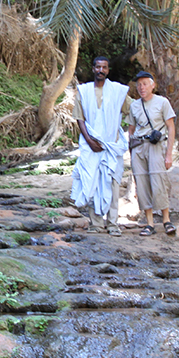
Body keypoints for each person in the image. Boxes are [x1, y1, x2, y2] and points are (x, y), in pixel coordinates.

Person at [71, 56, 130, 236]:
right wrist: (89, 141)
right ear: (93, 68)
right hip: (91, 146)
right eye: (98, 67)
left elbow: (131, 111)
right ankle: (95, 224)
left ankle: (113, 224)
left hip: (110, 146)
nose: (101, 70)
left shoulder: (118, 91)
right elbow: (79, 118)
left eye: (104, 67)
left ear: (108, 70)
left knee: (112, 184)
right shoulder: (84, 91)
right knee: (92, 182)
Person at [127, 70, 177, 236]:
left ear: (152, 85)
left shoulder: (162, 102)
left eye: (145, 84)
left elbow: (170, 127)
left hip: (155, 145)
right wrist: (131, 150)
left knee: (158, 180)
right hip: (138, 147)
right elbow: (131, 129)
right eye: (139, 84)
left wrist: (169, 154)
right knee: (141, 182)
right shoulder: (134, 105)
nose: (142, 87)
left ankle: (166, 220)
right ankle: (149, 223)